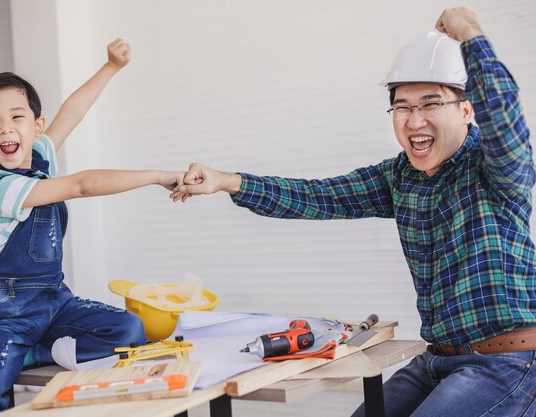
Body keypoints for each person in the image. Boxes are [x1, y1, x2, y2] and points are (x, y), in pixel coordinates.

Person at [174, 7, 536, 417]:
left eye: (431, 103)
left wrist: (468, 32)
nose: (414, 120)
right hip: (437, 359)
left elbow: (504, 111)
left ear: (467, 110)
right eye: (402, 107)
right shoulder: (400, 176)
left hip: (508, 363)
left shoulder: (497, 166)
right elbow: (318, 196)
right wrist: (229, 181)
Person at [0, 38, 185, 416]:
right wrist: (158, 175)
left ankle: (34, 352)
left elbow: (72, 113)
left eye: (17, 117)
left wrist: (110, 67)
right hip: (4, 314)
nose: (6, 128)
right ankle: (3, 351)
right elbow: (82, 185)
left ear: (36, 125)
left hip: (54, 301)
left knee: (129, 331)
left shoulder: (40, 157)